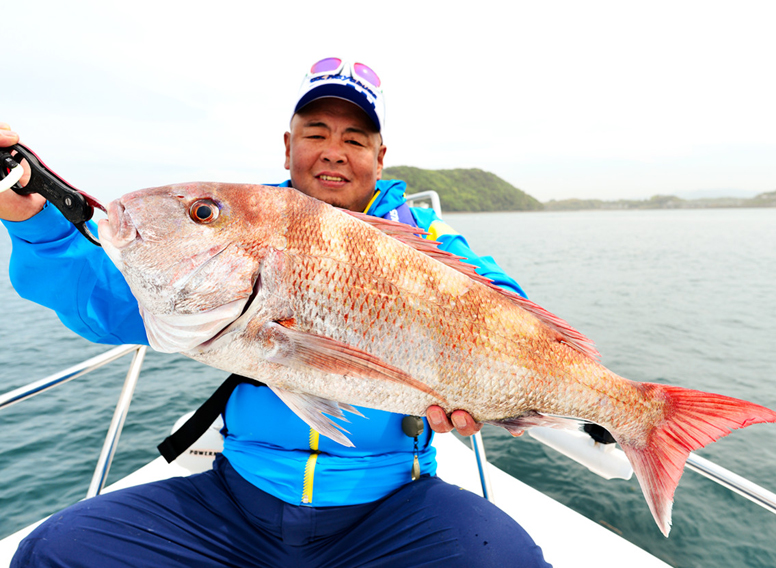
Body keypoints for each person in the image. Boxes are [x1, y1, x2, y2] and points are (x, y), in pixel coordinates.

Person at [0, 58, 551, 567]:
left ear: (380, 159)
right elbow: (109, 300)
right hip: (239, 501)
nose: (333, 150)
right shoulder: (239, 222)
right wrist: (36, 223)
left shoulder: (427, 239)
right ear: (287, 147)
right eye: (316, 133)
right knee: (51, 552)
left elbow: (505, 308)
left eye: (354, 139)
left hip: (392, 504)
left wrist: (500, 387)